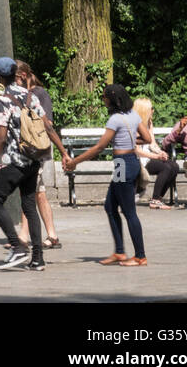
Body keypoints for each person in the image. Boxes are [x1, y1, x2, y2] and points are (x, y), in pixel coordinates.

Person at [0, 56, 69, 272]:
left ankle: (17, 246)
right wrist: (63, 153)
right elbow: (48, 127)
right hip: (34, 160)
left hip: (15, 161)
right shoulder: (30, 96)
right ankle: (38, 259)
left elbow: (1, 138)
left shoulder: (2, 101)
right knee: (29, 205)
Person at [64, 83, 152, 266]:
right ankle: (120, 252)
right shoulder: (133, 115)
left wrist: (74, 162)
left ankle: (140, 256)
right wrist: (127, 139)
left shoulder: (115, 120)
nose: (103, 99)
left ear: (113, 100)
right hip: (131, 162)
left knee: (129, 212)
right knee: (110, 207)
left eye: (105, 97)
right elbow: (148, 138)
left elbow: (99, 147)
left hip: (122, 165)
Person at [12, 60, 62, 249]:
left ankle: (25, 237)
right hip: (26, 150)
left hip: (35, 149)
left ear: (22, 76)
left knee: (30, 191)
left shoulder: (38, 94)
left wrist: (62, 151)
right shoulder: (21, 94)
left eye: (14, 79)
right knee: (37, 193)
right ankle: (51, 235)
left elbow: (47, 123)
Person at [132, 96, 179, 209]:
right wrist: (156, 156)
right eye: (151, 108)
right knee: (165, 168)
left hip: (148, 158)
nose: (153, 110)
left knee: (174, 166)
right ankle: (155, 200)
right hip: (138, 162)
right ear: (144, 110)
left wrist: (161, 152)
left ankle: (158, 198)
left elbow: (152, 144)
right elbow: (137, 151)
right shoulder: (134, 125)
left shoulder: (149, 123)